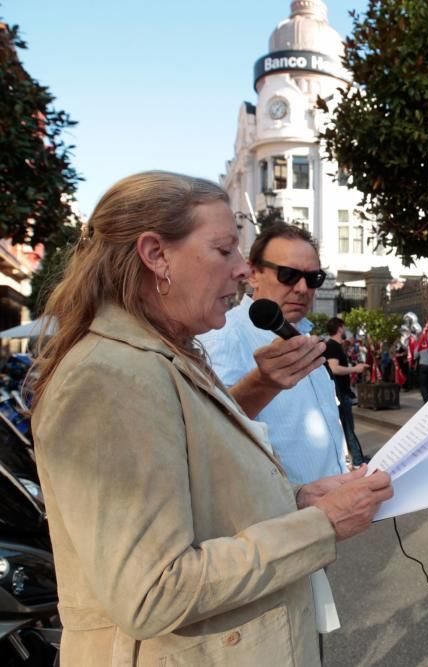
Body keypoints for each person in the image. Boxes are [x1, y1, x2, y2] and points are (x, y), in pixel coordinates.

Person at [28, 172, 392, 665]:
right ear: (156, 255)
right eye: (225, 251)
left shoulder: (161, 357)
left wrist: (298, 498)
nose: (243, 271)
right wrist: (320, 524)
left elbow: (201, 492)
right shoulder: (109, 379)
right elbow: (152, 591)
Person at [199, 222, 349, 484]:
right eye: (288, 274)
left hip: (332, 508)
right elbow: (209, 428)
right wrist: (262, 383)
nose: (302, 288)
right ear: (253, 273)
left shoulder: (305, 335)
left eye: (313, 278)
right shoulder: (226, 333)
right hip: (280, 515)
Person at [326, 317, 369, 468]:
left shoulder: (336, 346)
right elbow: (334, 368)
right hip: (340, 394)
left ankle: (354, 458)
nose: (345, 331)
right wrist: (355, 369)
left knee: (346, 428)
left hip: (342, 393)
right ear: (339, 328)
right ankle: (358, 460)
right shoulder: (332, 346)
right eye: (343, 327)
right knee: (348, 428)